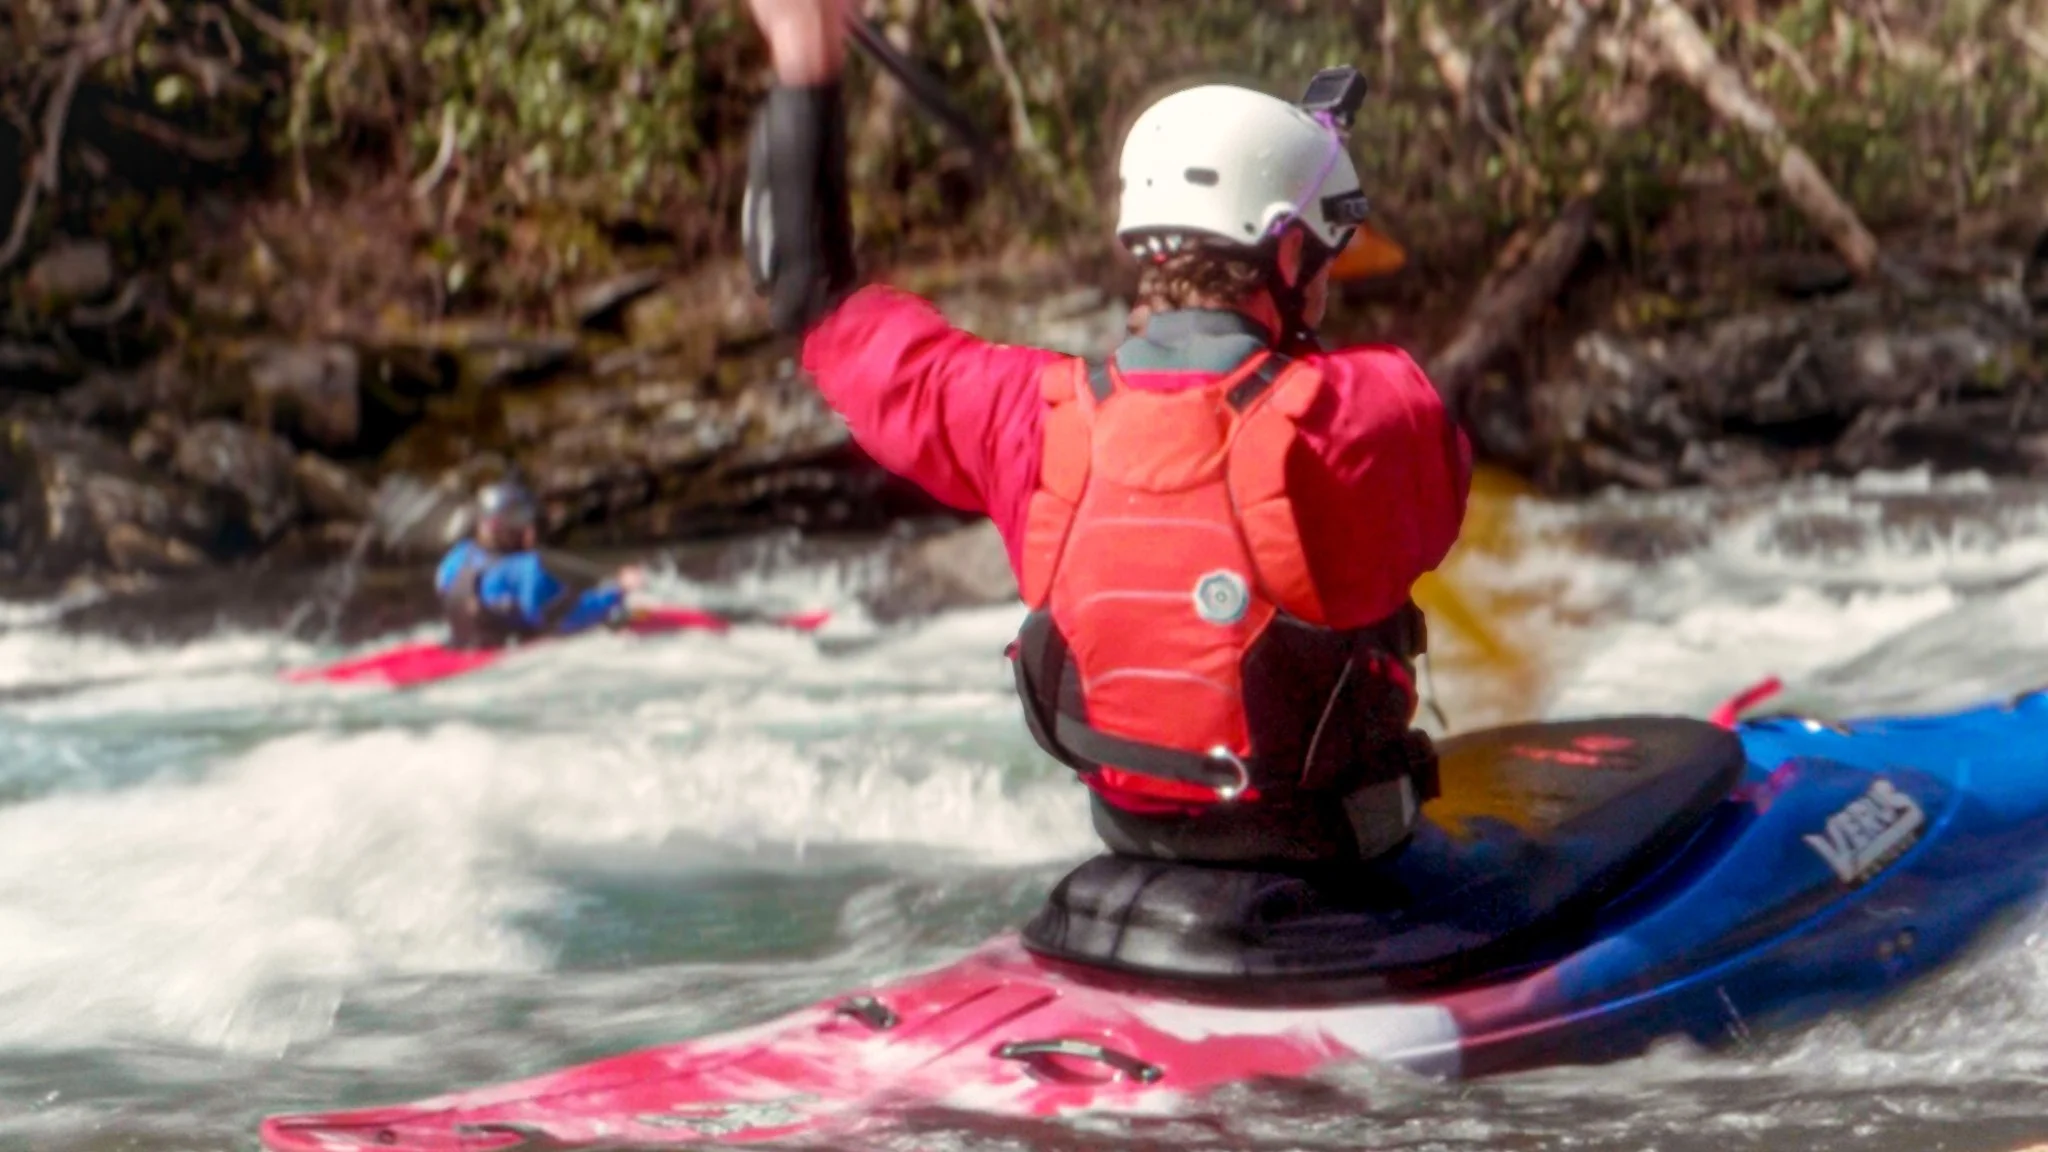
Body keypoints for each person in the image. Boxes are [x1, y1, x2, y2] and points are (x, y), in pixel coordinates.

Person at [741, 2, 1470, 866]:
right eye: (1321, 258)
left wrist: (805, 65)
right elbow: (1414, 480)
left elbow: (811, 298)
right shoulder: (1372, 410)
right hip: (1339, 884)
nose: (1327, 283)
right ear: (1284, 259)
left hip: (1127, 873)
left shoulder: (1027, 416)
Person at [434, 479, 647, 650]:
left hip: (461, 646)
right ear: (508, 527)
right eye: (524, 522)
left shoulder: (456, 557)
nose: (531, 530)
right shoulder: (527, 568)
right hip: (507, 651)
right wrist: (618, 591)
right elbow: (564, 618)